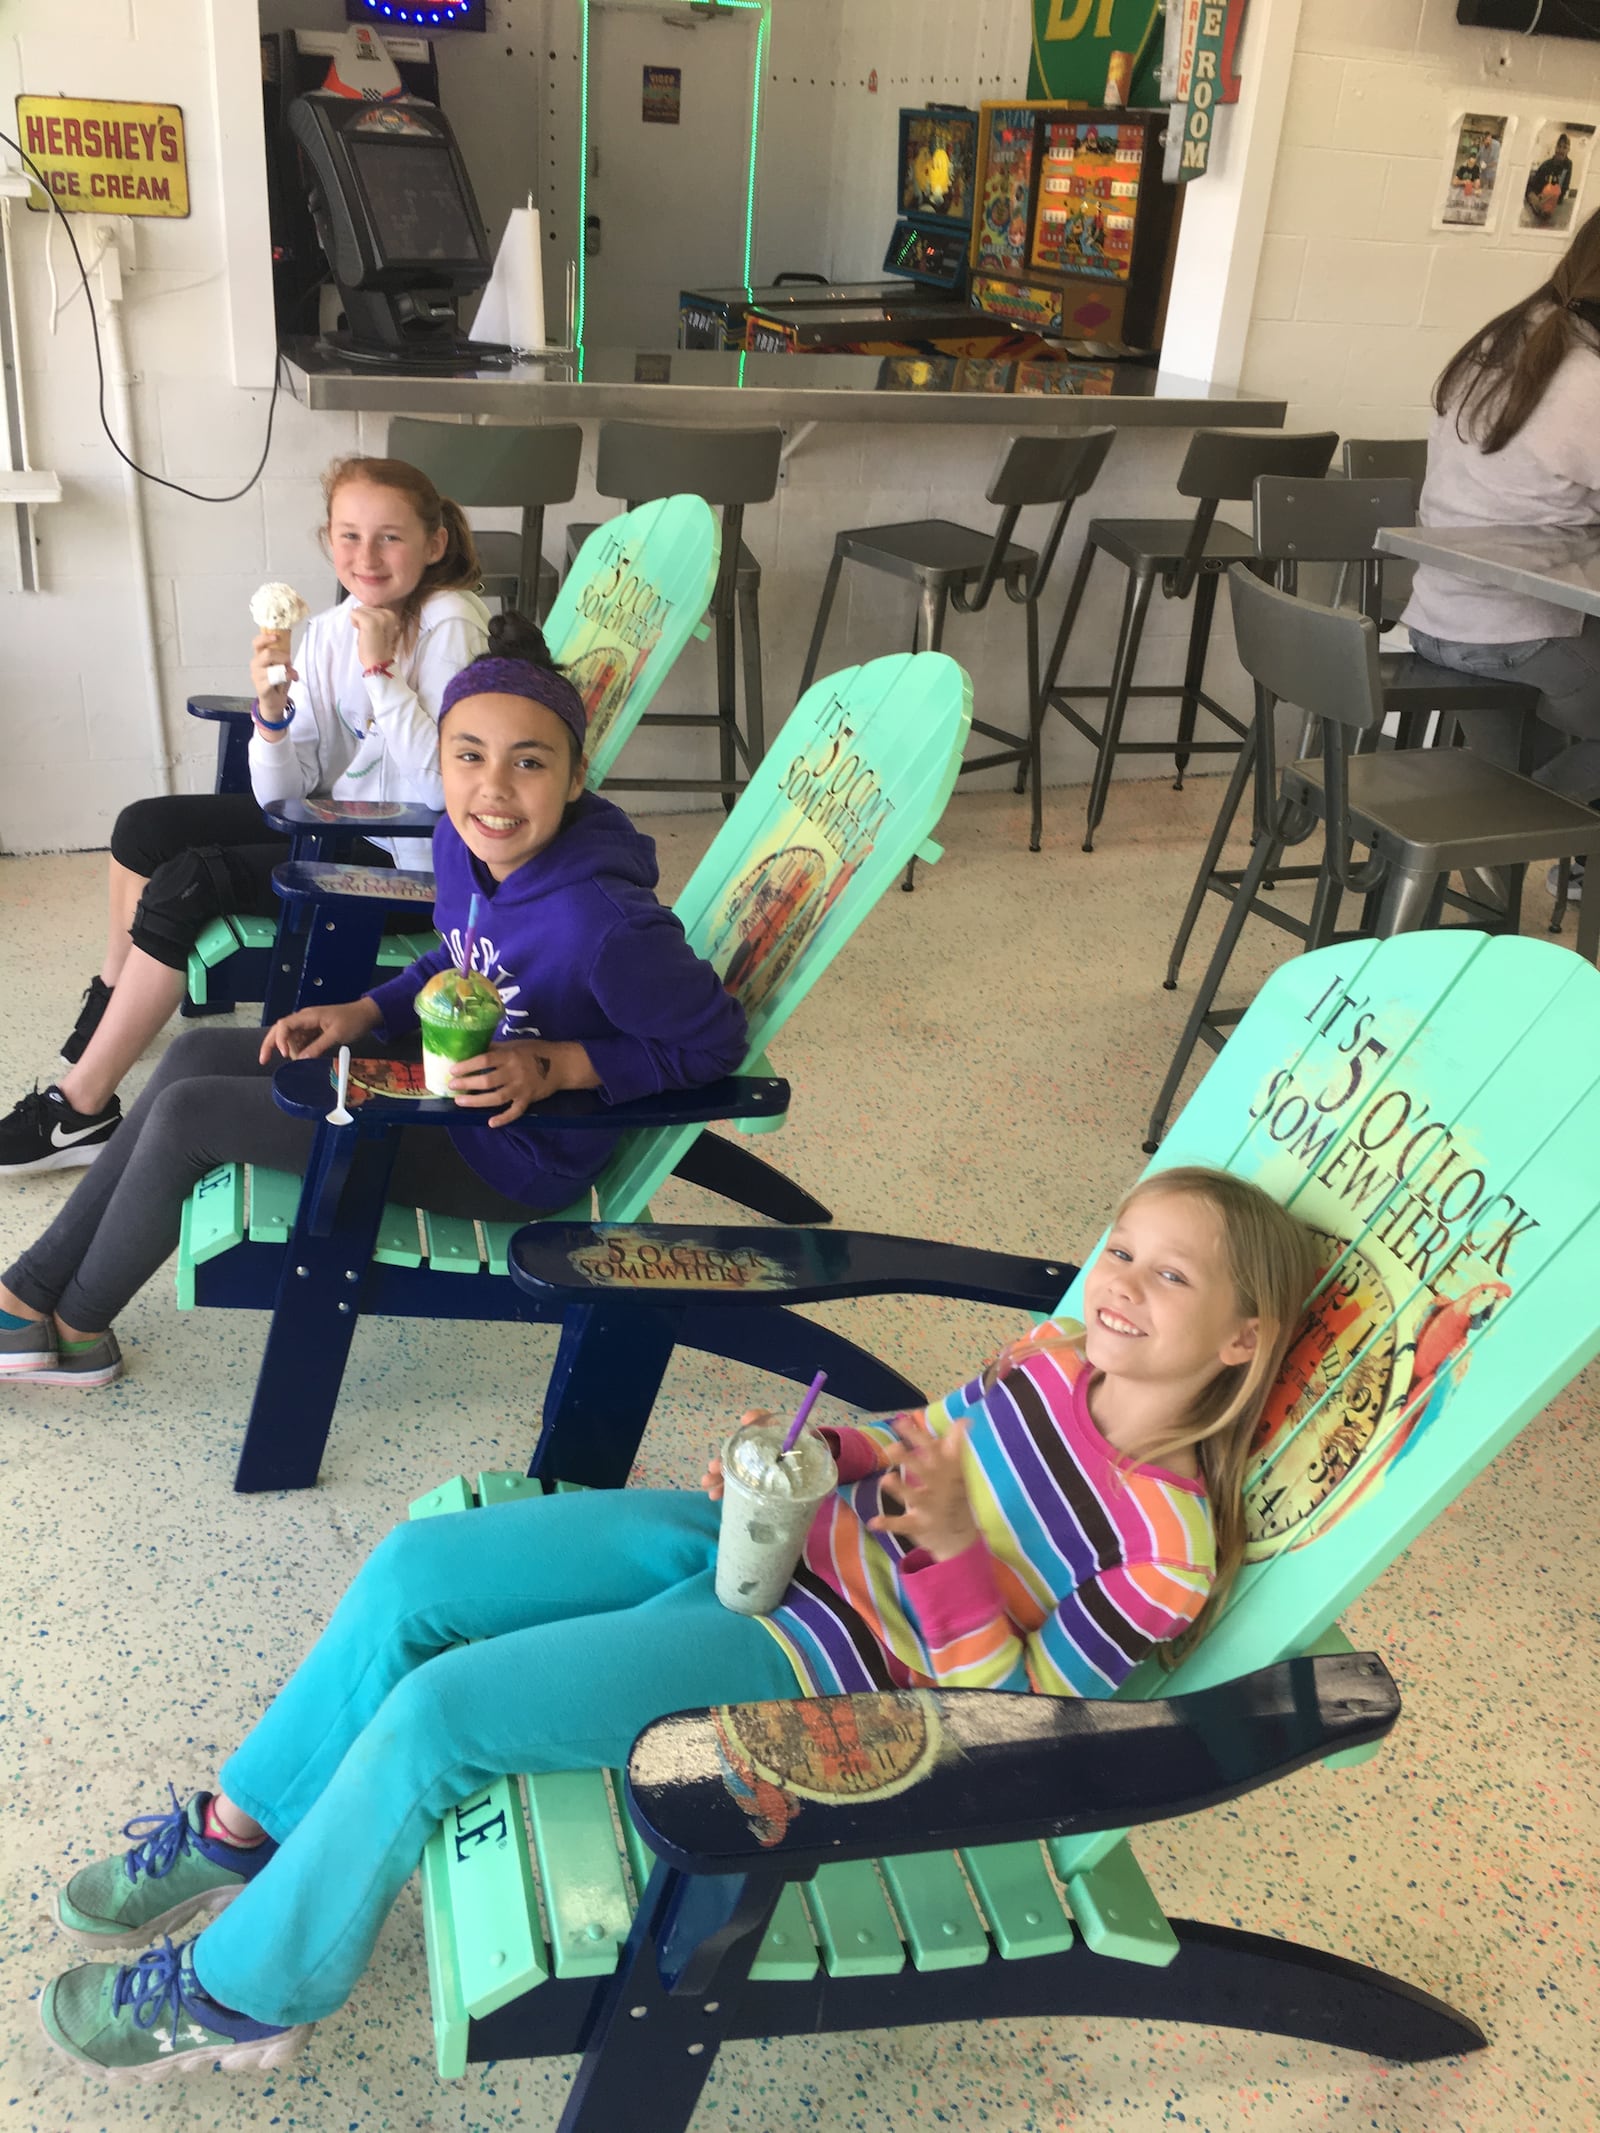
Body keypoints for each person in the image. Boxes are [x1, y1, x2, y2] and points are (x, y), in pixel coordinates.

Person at [32, 1166, 1319, 2084]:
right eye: (1124, 1247)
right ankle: (245, 1828)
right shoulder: (1050, 1361)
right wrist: (823, 1449)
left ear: (1242, 1338)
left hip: (820, 1668)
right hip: (773, 1545)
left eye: (1172, 1273)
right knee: (420, 1568)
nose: (1124, 1285)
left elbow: (1017, 1717)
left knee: (445, 1713)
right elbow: (925, 1437)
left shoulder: (1165, 1552)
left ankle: (249, 1989)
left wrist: (953, 1556)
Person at [0, 614, 748, 1389]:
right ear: (441, 760)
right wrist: (369, 1011)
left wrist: (563, 1065)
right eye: (469, 756)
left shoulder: (604, 925)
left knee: (194, 1118)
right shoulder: (465, 842)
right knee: (193, 1055)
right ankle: (23, 1296)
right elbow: (455, 956)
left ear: (575, 773)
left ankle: (77, 1329)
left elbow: (716, 1041)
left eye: (528, 762)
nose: (493, 787)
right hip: (438, 1082)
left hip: (512, 1151)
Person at [0, 455, 492, 1176]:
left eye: (390, 537)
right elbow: (283, 797)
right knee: (144, 827)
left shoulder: (450, 622)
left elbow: (454, 783)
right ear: (328, 541)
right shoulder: (328, 632)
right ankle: (112, 999)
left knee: (193, 879)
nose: (367, 557)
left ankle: (81, 1108)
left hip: (416, 863)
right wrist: (270, 715)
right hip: (346, 823)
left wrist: (383, 676)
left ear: (435, 542)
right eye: (350, 536)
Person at [1403, 204, 1600, 905]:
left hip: (1437, 612)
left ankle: (1550, 842)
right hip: (1513, 632)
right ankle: (1498, 830)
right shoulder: (1584, 377)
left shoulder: (1510, 338)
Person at [1524, 133, 1573, 224]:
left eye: (1564, 147)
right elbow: (1531, 186)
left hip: (1554, 204)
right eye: (1559, 146)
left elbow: (1564, 187)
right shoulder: (1546, 165)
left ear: (1568, 150)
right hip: (1538, 200)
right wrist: (1533, 197)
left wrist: (1552, 198)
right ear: (1555, 148)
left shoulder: (1568, 165)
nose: (1561, 150)